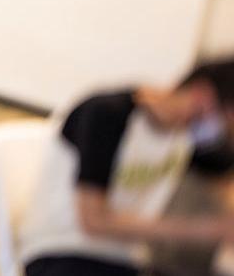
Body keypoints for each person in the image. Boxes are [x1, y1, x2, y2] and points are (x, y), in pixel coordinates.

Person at [19, 61, 234, 276]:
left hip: (124, 258)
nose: (221, 133)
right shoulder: (106, 114)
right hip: (63, 249)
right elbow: (93, 221)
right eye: (226, 123)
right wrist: (204, 231)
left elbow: (221, 171)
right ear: (202, 95)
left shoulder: (183, 135)